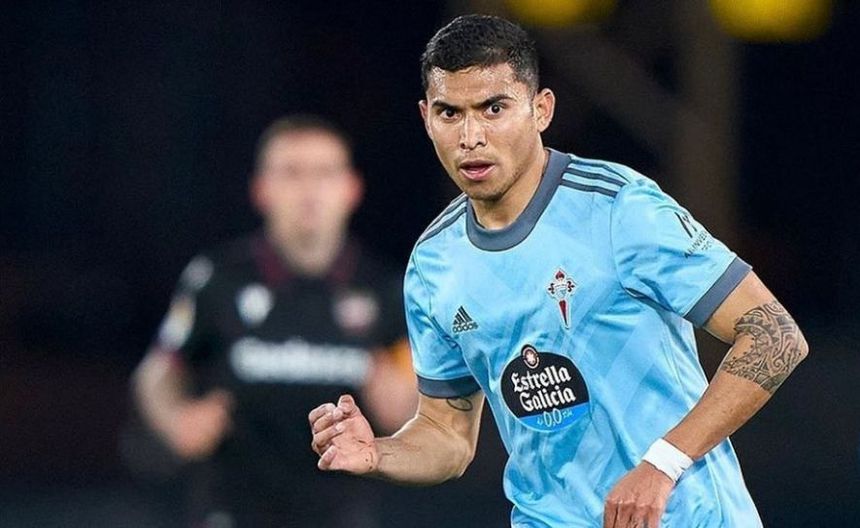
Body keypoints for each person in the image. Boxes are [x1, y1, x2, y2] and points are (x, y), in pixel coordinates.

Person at [309, 14, 808, 528]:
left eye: (494, 108)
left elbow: (775, 336)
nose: (471, 136)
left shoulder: (619, 209)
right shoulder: (434, 263)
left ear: (541, 109)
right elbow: (447, 436)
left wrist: (664, 463)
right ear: (425, 118)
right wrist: (379, 453)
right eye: (450, 113)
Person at [133, 114, 416, 528]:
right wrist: (176, 418)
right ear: (261, 189)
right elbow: (158, 370)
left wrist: (405, 406)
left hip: (342, 514)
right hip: (232, 508)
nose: (309, 190)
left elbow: (419, 397)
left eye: (325, 173)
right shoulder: (217, 278)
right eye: (292, 173)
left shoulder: (385, 289)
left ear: (352, 189)